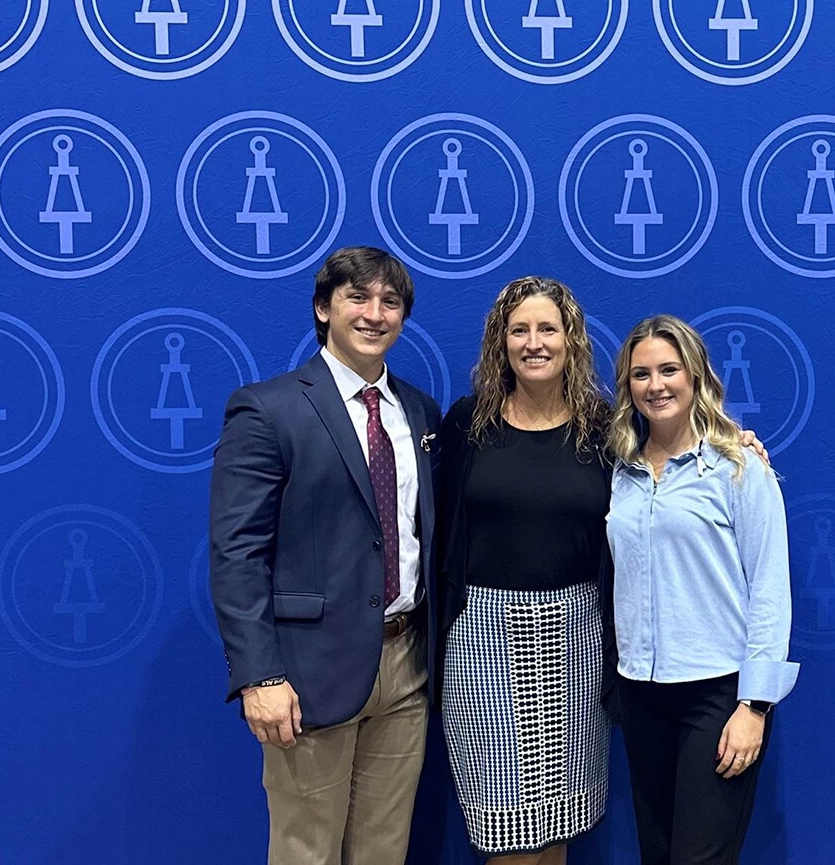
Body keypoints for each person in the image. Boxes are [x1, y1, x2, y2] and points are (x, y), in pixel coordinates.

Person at [210, 246, 442, 865]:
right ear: (323, 308)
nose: (375, 313)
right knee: (305, 851)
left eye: (390, 302)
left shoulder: (419, 413)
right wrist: (259, 675)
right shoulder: (269, 408)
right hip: (308, 674)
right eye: (357, 298)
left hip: (407, 667)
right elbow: (237, 553)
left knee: (383, 851)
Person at [605, 315, 799, 865]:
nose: (656, 385)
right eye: (641, 374)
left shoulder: (739, 468)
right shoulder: (619, 470)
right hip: (640, 692)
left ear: (696, 378)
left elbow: (768, 589)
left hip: (717, 695)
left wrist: (754, 704)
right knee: (657, 854)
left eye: (670, 370)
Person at [435, 276, 614, 864]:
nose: (534, 342)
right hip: (483, 640)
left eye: (547, 329)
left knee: (558, 827)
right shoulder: (467, 425)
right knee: (507, 834)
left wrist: (734, 442)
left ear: (571, 341)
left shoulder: (606, 428)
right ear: (500, 342)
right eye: (520, 330)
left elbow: (671, 453)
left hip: (578, 637)